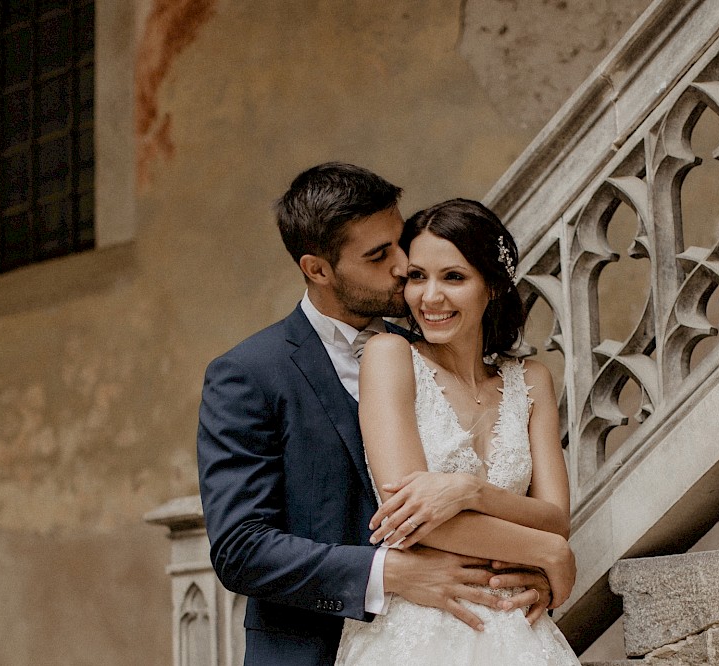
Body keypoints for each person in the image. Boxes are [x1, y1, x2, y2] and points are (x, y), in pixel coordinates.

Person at [197, 163, 553, 666]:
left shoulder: (433, 349)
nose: (402, 264)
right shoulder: (249, 374)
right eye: (378, 254)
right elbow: (241, 549)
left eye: (398, 241)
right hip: (313, 650)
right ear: (317, 269)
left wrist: (529, 567)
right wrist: (389, 573)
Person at [334, 198, 581, 665]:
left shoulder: (531, 380)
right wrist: (549, 552)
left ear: (492, 286)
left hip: (517, 627)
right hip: (418, 628)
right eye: (416, 277)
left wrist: (471, 492)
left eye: (453, 277)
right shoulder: (389, 357)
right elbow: (407, 520)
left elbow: (555, 517)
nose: (430, 297)